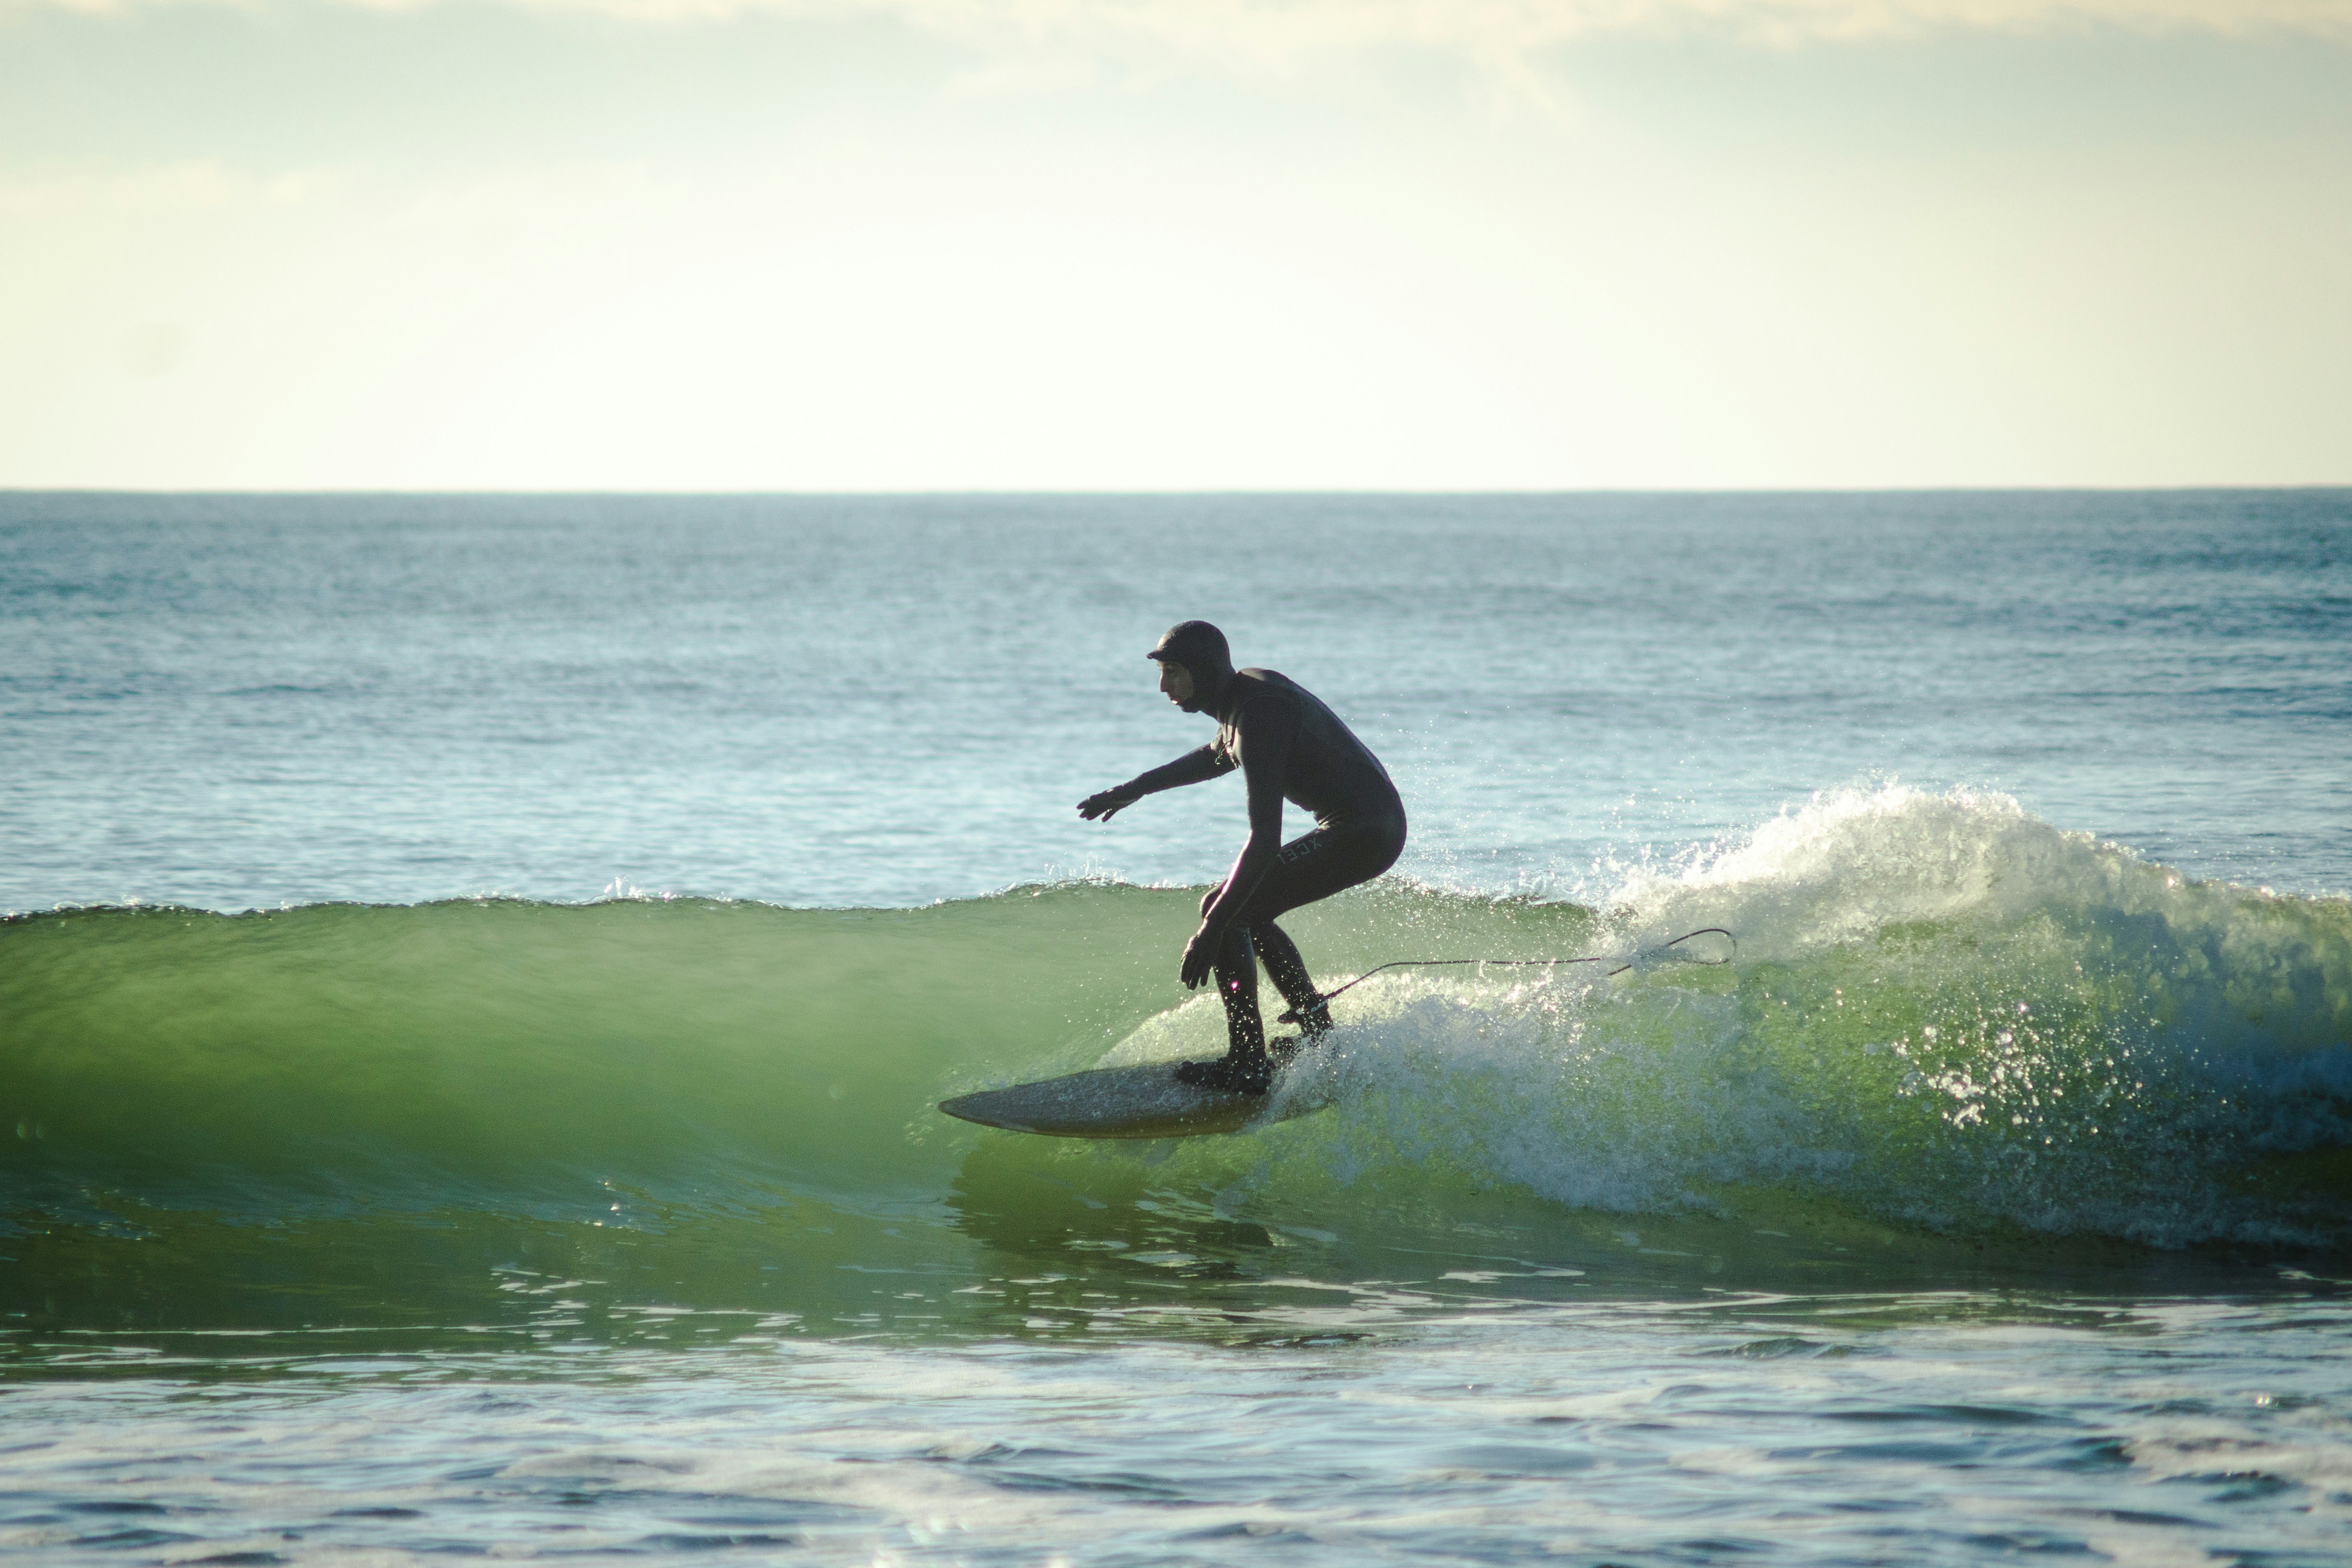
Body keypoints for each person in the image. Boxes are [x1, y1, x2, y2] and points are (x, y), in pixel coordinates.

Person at [1078, 621, 1407, 1094]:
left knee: (1229, 910)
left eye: (1173, 671)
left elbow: (1265, 840)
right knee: (1244, 910)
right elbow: (1216, 754)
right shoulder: (1241, 703)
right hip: (1366, 826)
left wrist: (1211, 931)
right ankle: (1319, 1034)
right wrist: (1134, 789)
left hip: (1364, 832)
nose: (1163, 685)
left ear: (1205, 671)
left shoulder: (1260, 713)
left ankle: (1249, 1062)